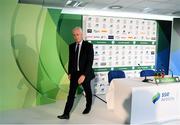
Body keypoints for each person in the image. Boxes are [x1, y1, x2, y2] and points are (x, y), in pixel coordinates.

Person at [57, 27, 95, 119]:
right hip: (74, 73)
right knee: (71, 94)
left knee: (87, 91)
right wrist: (69, 72)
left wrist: (84, 75)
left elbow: (90, 62)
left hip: (85, 73)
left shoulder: (88, 46)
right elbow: (71, 61)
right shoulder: (71, 46)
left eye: (77, 34)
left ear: (81, 34)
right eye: (74, 35)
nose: (76, 37)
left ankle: (88, 106)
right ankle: (66, 114)